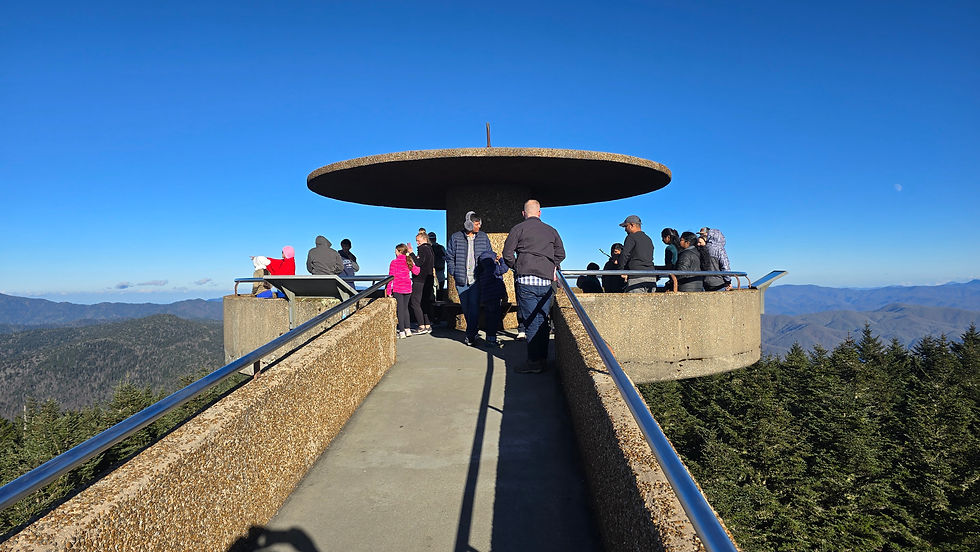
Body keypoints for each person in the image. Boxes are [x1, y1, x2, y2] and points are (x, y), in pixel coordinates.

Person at [502, 199, 565, 373]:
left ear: (524, 213)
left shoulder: (518, 229)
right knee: (542, 320)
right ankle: (542, 359)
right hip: (545, 281)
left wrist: (517, 266)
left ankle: (534, 362)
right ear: (539, 213)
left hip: (526, 281)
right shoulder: (551, 230)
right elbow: (561, 253)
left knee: (531, 322)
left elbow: (507, 254)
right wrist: (550, 265)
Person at [446, 211, 492, 345]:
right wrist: (453, 271)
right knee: (466, 308)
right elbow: (449, 257)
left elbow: (489, 253)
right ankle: (473, 331)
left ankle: (470, 335)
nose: (479, 226)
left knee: (474, 307)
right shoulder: (455, 237)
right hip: (461, 279)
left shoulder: (483, 237)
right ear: (469, 224)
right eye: (477, 224)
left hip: (476, 279)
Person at [475, 249, 510, 348]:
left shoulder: (480, 271)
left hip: (486, 298)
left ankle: (489, 338)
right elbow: (505, 268)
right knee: (494, 319)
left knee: (489, 318)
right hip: (495, 297)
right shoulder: (494, 269)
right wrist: (501, 260)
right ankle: (492, 340)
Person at [386, 244, 421, 338]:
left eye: (396, 251)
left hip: (398, 288)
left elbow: (390, 277)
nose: (395, 252)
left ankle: (401, 331)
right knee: (405, 308)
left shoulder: (394, 262)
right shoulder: (408, 260)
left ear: (399, 251)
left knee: (400, 309)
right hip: (408, 288)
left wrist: (388, 291)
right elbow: (417, 271)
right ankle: (408, 329)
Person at [619, 215, 656, 293]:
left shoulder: (631, 237)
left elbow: (625, 254)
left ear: (632, 225)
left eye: (626, 226)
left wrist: (621, 270)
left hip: (636, 277)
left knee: (634, 301)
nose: (625, 229)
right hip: (651, 277)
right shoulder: (648, 239)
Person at [408, 231, 435, 334]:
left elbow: (419, 263)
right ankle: (427, 325)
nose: (417, 243)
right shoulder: (430, 249)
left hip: (420, 279)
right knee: (424, 302)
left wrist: (411, 253)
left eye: (418, 240)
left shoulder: (422, 248)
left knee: (415, 301)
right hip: (429, 278)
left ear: (424, 239)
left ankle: (421, 326)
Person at [428, 231, 447, 296]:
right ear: (435, 239)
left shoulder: (427, 249)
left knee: (430, 295)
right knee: (440, 294)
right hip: (441, 274)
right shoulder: (441, 248)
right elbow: (446, 258)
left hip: (430, 274)